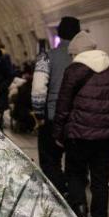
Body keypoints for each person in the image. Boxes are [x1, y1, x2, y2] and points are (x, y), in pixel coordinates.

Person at [53, 32, 109, 217]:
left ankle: (81, 212)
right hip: (107, 137)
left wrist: (58, 133)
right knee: (101, 181)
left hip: (79, 135)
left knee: (75, 173)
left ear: (76, 53)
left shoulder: (73, 71)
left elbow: (63, 105)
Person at [32, 16, 81, 194]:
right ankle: (78, 203)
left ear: (59, 34)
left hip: (52, 117)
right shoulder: (84, 59)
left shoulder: (46, 57)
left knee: (50, 160)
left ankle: (60, 195)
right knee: (76, 164)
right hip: (78, 119)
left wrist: (38, 114)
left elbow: (38, 88)